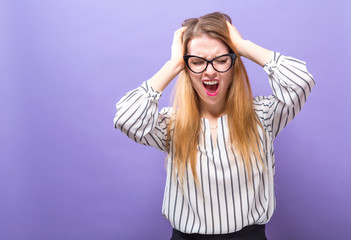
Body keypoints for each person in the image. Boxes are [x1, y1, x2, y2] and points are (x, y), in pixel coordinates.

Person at [114, 12, 314, 240]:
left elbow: (301, 81)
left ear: (233, 62)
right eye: (197, 62)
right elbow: (126, 119)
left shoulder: (263, 116)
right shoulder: (171, 125)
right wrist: (173, 64)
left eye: (220, 60)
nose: (210, 71)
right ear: (187, 69)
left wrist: (243, 46)